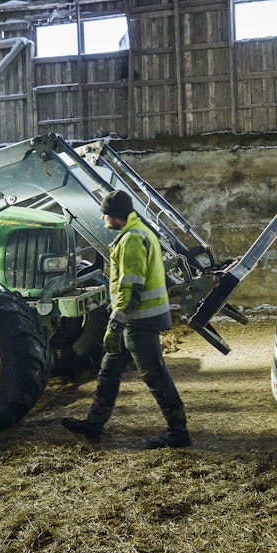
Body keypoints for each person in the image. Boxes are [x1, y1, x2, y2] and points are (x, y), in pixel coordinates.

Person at [61, 189, 191, 449]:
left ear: (116, 216)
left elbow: (129, 290)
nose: (101, 219)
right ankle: (94, 425)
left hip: (139, 321)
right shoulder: (140, 231)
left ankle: (178, 432)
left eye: (104, 215)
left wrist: (115, 325)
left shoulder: (132, 239)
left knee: (155, 375)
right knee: (108, 372)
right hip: (136, 319)